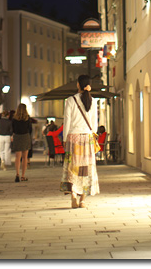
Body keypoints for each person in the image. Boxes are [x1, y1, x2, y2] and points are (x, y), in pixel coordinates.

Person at [60, 74, 100, 208]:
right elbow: (94, 124)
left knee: (73, 168)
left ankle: (73, 196)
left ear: (78, 84)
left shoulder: (70, 100)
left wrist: (65, 139)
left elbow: (67, 120)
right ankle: (82, 200)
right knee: (86, 169)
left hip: (73, 137)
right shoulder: (93, 101)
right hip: (87, 138)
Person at [11, 103, 32, 183]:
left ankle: (17, 174)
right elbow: (30, 129)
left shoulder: (14, 119)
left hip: (17, 136)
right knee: (24, 157)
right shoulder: (27, 118)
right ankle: (23, 176)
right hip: (25, 136)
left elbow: (13, 129)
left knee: (17, 157)